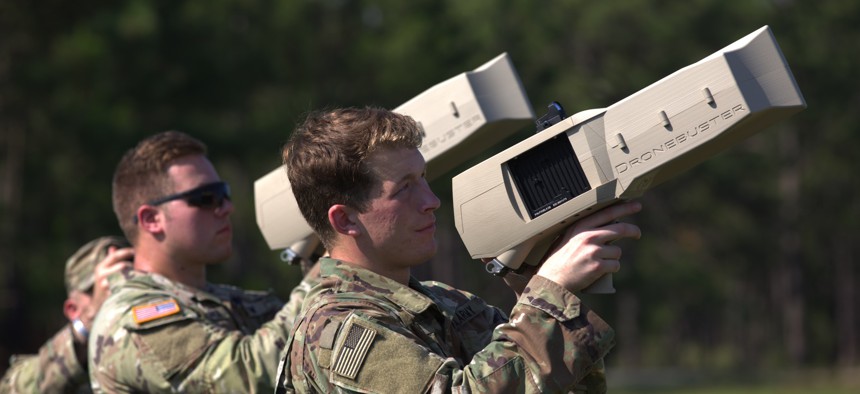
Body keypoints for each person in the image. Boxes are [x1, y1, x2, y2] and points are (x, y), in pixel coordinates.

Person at [274, 107, 643, 393]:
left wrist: (532, 287)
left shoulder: (446, 303)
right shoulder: (338, 330)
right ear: (345, 221)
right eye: (404, 189)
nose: (432, 201)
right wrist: (548, 296)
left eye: (423, 179)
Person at [87, 130, 312, 392]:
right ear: (151, 219)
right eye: (207, 198)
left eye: (225, 194)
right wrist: (328, 273)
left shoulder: (229, 302)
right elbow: (245, 376)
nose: (227, 208)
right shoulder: (131, 319)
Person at [0, 236, 133, 393]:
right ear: (72, 310)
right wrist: (90, 320)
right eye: (96, 289)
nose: (114, 295)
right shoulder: (67, 374)